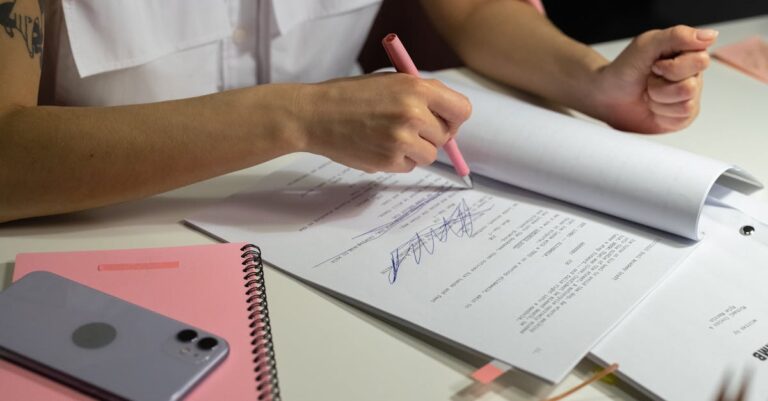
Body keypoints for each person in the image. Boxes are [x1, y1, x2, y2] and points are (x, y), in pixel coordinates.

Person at [0, 0, 716, 223]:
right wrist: (301, 118)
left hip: (344, 205)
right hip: (107, 230)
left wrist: (592, 80)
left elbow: (468, 6)